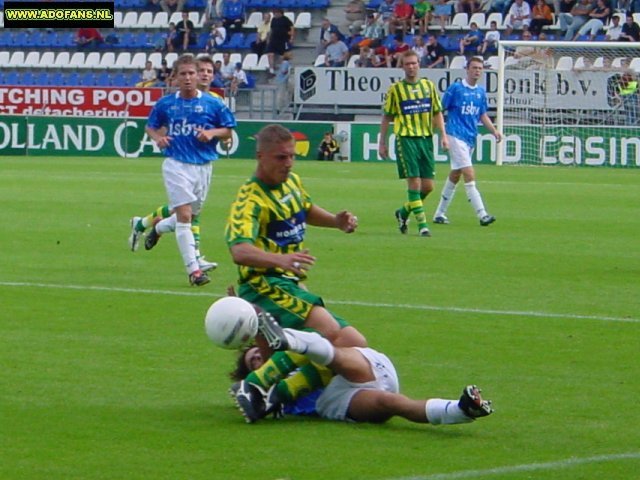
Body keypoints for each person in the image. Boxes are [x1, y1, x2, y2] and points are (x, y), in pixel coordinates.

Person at [224, 124, 366, 349]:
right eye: (281, 157)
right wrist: (280, 260)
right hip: (263, 285)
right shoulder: (250, 200)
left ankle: (287, 372)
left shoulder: (292, 181)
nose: (288, 163)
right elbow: (239, 251)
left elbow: (305, 209)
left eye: (292, 156)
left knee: (355, 343)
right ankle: (268, 379)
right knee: (328, 332)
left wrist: (335, 221)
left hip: (290, 284)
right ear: (261, 156)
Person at [233, 306, 494, 425]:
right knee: (391, 404)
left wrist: (245, 311)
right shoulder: (277, 400)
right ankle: (461, 410)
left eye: (256, 354)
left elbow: (264, 330)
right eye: (253, 362)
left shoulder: (286, 358)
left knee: (334, 350)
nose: (257, 358)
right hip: (337, 400)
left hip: (360, 365)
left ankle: (289, 339)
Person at [142, 54, 236, 286]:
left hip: (203, 167)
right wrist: (158, 138)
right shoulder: (166, 103)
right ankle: (194, 271)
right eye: (182, 74)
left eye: (191, 73)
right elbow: (150, 126)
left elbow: (228, 130)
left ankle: (159, 227)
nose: (187, 78)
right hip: (176, 165)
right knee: (185, 216)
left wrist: (211, 134)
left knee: (189, 217)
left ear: (197, 76)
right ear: (174, 78)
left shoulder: (213, 103)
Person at [379, 50, 449, 238]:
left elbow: (437, 112)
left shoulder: (429, 86)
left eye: (414, 63)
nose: (411, 67)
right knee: (415, 183)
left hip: (426, 139)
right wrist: (382, 143)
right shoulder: (395, 90)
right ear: (403, 67)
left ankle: (403, 213)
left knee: (428, 187)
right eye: (407, 64)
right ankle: (423, 226)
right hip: (406, 139)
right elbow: (387, 117)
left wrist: (443, 135)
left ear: (419, 64)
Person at [433, 57, 501, 227]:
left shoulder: (480, 92)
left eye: (480, 68)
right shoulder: (456, 88)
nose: (477, 71)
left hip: (470, 137)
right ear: (467, 69)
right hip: (455, 135)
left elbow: (482, 114)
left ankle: (439, 214)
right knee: (469, 174)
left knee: (455, 175)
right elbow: (440, 110)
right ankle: (482, 214)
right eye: (474, 67)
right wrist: (443, 134)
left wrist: (493, 131)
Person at [266, 9, 295, 75]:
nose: (275, 14)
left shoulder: (285, 19)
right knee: (270, 54)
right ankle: (271, 70)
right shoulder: (273, 20)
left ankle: (283, 69)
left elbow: (292, 28)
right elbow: (271, 29)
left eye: (276, 13)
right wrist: (268, 38)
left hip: (283, 40)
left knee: (282, 55)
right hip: (273, 39)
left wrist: (292, 37)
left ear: (280, 13)